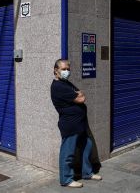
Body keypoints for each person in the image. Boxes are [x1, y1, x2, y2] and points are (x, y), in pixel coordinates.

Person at [50, 59, 102, 188]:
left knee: (87, 146)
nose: (66, 71)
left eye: (68, 69)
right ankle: (66, 179)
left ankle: (87, 173)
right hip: (70, 125)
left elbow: (80, 94)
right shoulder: (58, 86)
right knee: (68, 152)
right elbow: (81, 98)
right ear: (56, 70)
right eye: (63, 69)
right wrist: (78, 95)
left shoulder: (66, 83)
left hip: (80, 124)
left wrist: (79, 94)